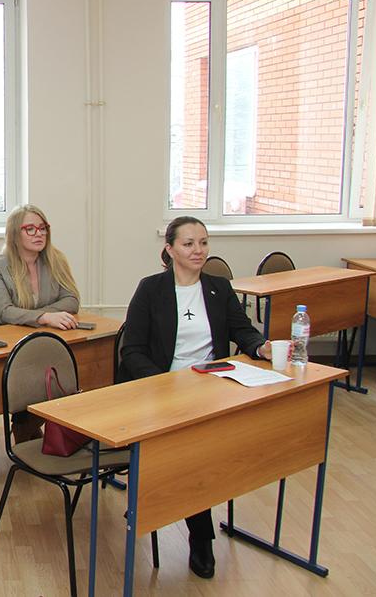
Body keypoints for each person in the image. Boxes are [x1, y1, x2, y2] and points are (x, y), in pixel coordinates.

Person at [120, 217, 272, 580]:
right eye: (188, 244)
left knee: (211, 451)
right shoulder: (151, 289)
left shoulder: (219, 287)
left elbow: (242, 330)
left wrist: (260, 347)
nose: (198, 250)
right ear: (170, 250)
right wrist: (166, 384)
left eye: (203, 242)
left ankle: (164, 499)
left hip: (210, 386)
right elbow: (132, 351)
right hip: (163, 390)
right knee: (193, 453)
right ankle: (201, 535)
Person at [0, 204, 82, 442]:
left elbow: (72, 300)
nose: (39, 234)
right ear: (15, 233)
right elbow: (4, 312)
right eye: (30, 229)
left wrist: (35, 315)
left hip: (48, 342)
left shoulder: (55, 259)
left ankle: (25, 425)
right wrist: (45, 317)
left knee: (72, 373)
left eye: (43, 228)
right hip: (9, 349)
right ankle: (25, 425)